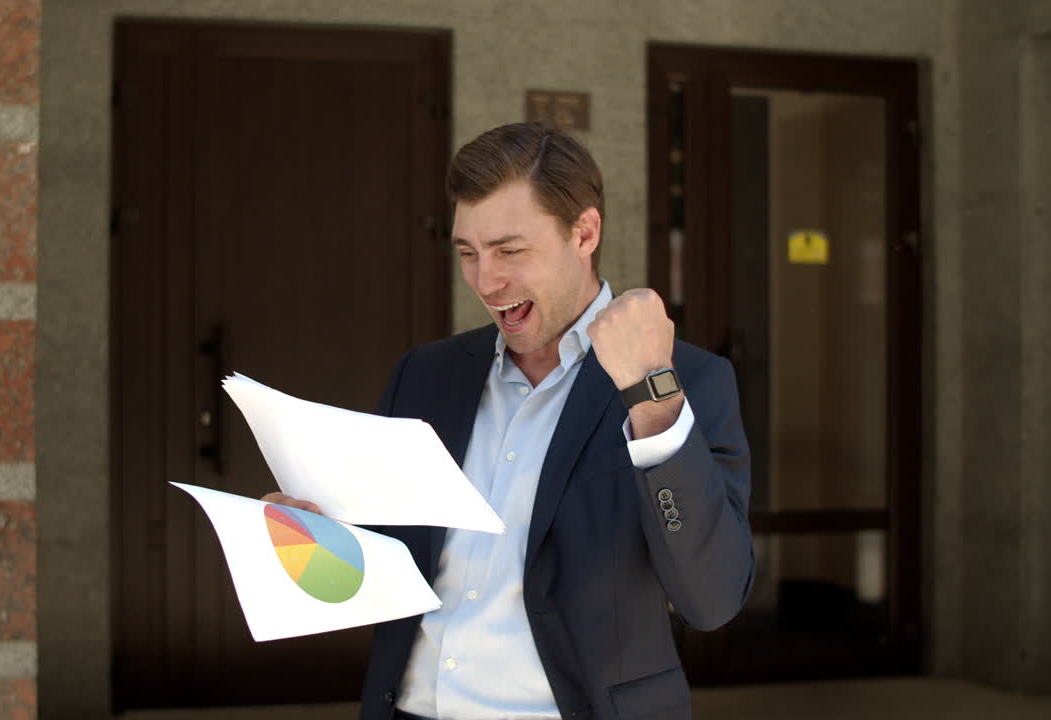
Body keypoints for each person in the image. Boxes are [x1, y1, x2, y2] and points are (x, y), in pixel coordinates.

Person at [265, 122, 754, 720]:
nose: (486, 281)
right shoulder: (424, 375)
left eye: (510, 250)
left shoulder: (686, 382)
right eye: (468, 252)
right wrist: (311, 539)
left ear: (585, 232)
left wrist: (651, 399)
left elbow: (714, 597)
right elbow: (384, 567)